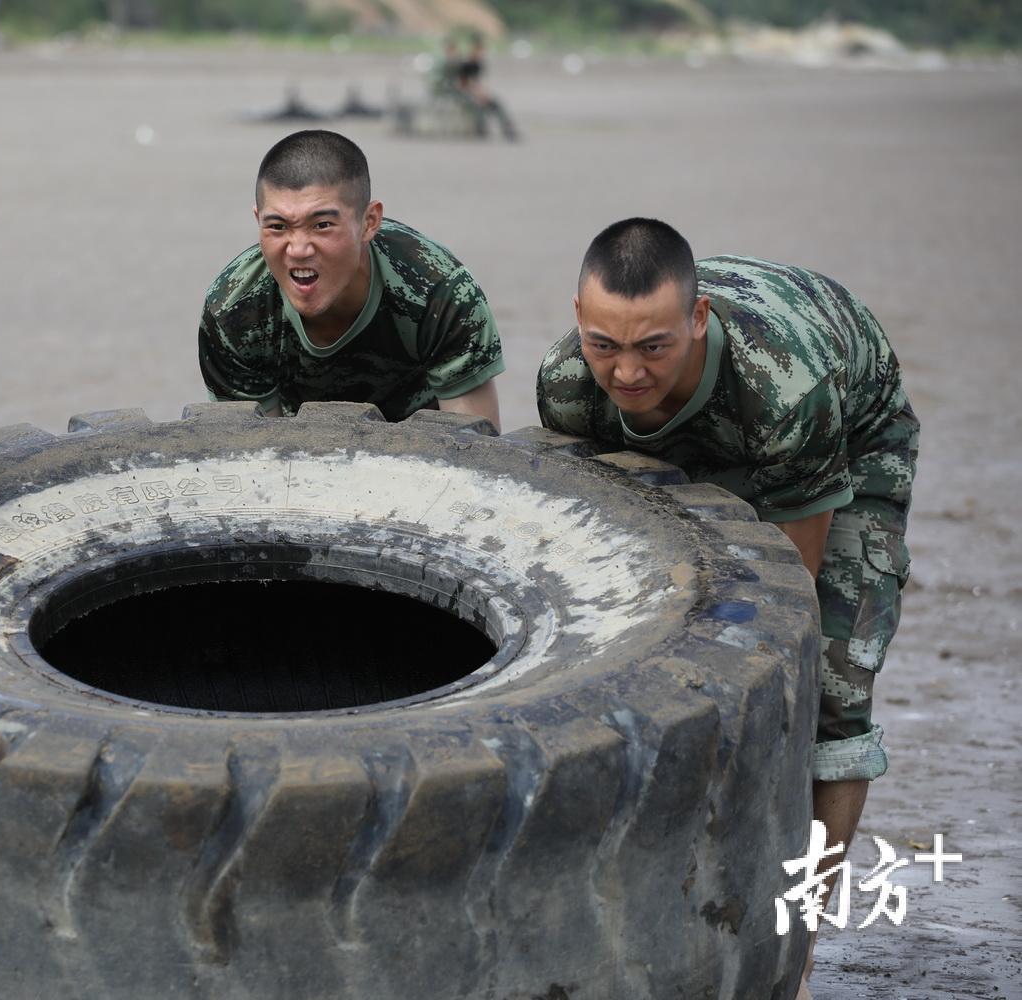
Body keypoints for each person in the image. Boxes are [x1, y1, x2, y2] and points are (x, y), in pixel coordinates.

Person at [535, 217, 917, 997]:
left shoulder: (789, 392)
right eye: (606, 344)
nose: (629, 372)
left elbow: (790, 608)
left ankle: (796, 945)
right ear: (579, 317)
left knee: (827, 690)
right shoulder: (571, 386)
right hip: (715, 426)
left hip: (847, 423)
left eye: (654, 346)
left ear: (697, 319)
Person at [199, 129, 504, 427]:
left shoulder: (441, 293)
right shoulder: (233, 309)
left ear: (369, 222)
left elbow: (475, 453)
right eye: (277, 227)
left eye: (322, 225)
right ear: (258, 221)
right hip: (296, 453)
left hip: (424, 449)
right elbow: (256, 457)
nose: (298, 249)